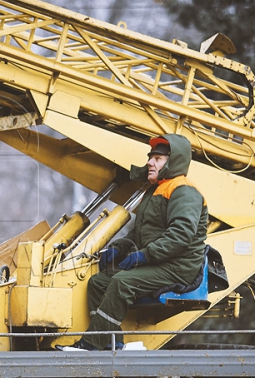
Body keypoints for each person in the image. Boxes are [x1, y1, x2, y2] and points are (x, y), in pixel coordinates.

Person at [67, 133, 208, 351]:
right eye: (151, 157)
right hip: (159, 261)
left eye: (158, 159)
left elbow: (181, 235)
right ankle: (113, 343)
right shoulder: (154, 190)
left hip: (178, 266)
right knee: (97, 283)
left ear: (173, 161)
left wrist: (145, 255)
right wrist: (117, 249)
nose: (150, 162)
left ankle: (90, 344)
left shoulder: (184, 191)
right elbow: (137, 234)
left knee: (122, 282)